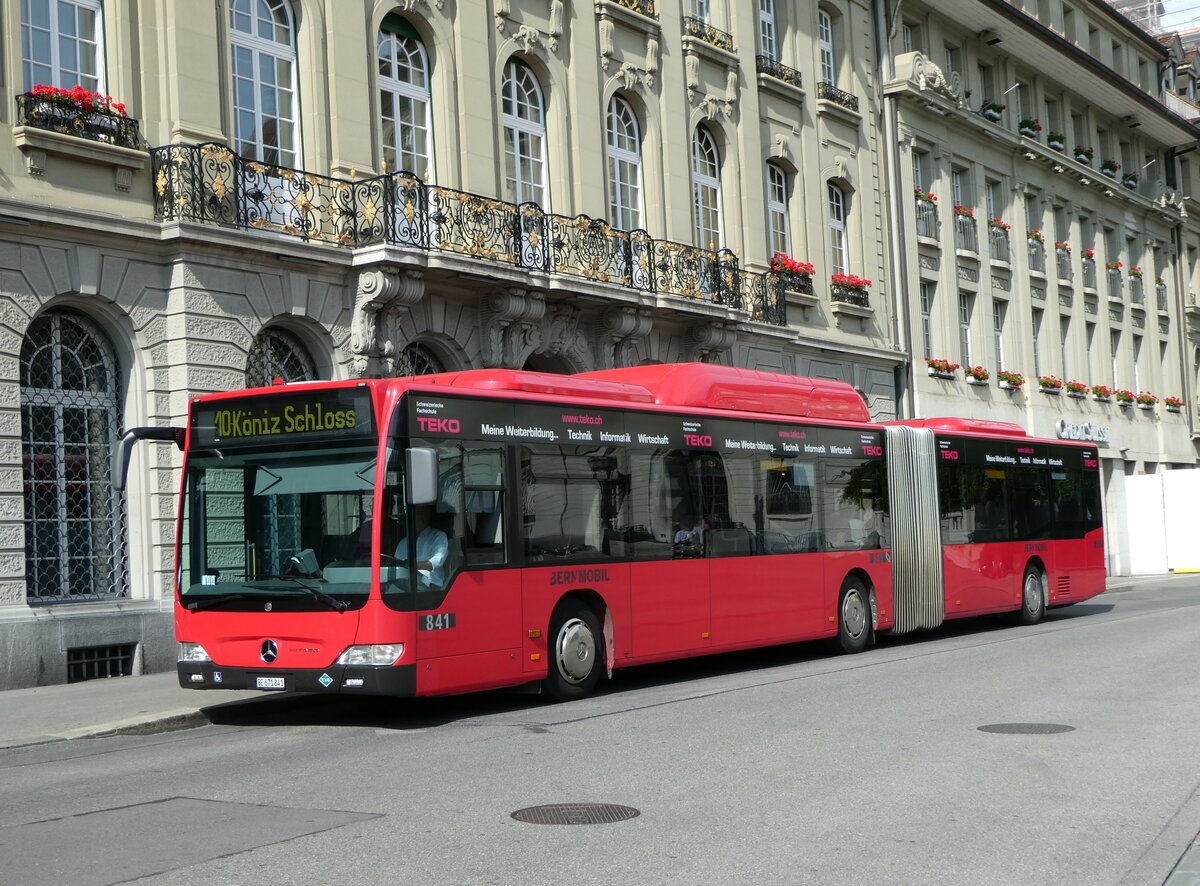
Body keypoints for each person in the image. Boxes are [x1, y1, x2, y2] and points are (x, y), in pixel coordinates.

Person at [396, 504, 449, 589]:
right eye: (418, 513)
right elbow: (396, 568)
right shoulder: (403, 543)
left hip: (433, 589)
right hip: (406, 588)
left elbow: (436, 561)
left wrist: (412, 566)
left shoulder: (439, 536)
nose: (421, 516)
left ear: (429, 515)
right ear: (412, 516)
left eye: (424, 513)